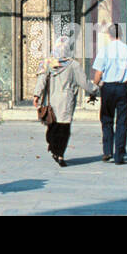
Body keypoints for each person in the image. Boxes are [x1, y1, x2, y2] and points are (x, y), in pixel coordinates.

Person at [32, 35, 99, 167]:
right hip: (66, 101)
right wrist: (95, 89)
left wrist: (36, 95)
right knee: (64, 128)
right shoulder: (73, 65)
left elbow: (41, 80)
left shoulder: (48, 63)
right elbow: (84, 82)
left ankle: (54, 148)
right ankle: (60, 154)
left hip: (50, 100)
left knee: (53, 125)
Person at [91, 22, 127, 165]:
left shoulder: (104, 51)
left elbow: (98, 74)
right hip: (123, 88)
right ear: (121, 34)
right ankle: (119, 154)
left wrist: (95, 86)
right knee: (122, 121)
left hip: (108, 88)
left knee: (107, 119)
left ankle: (107, 151)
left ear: (109, 35)